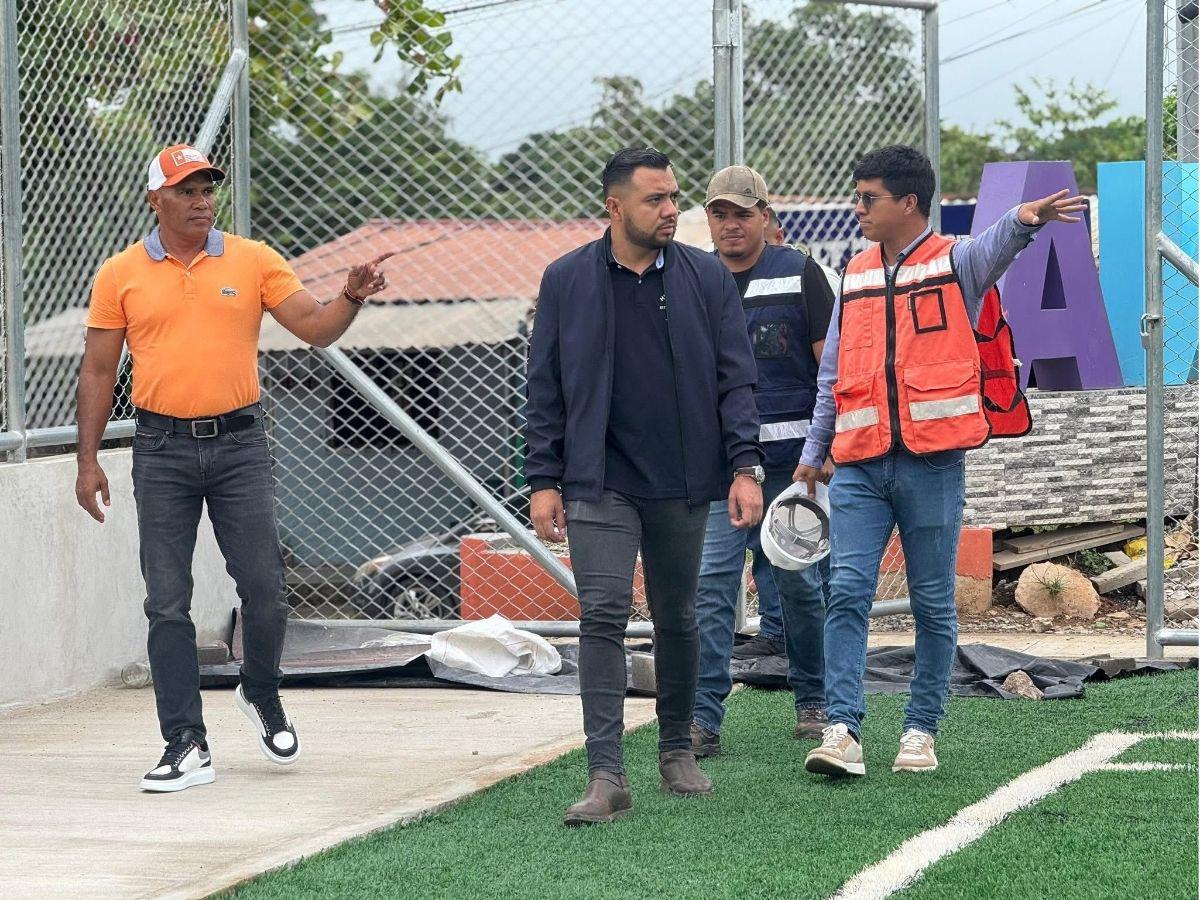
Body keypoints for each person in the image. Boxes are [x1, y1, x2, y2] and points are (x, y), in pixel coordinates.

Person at [75, 144, 393, 792]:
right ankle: (185, 742)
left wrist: (350, 296)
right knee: (167, 601)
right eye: (186, 191)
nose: (202, 202)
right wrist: (87, 460)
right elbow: (100, 370)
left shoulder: (253, 260)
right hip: (160, 449)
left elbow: (315, 327)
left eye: (207, 190)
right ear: (155, 200)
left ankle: (261, 691)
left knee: (266, 586)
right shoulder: (120, 273)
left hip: (240, 446)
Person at [795, 145, 1081, 777]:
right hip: (859, 466)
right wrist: (815, 451)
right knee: (846, 592)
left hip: (932, 466)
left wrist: (1025, 219)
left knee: (931, 603)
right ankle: (842, 731)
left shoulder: (954, 263)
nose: (858, 208)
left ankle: (920, 731)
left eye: (868, 198)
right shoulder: (854, 274)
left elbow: (995, 247)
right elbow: (832, 374)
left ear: (909, 203)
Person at [525, 147, 765, 826]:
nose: (670, 211)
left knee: (677, 616)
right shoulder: (566, 280)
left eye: (673, 198)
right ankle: (606, 775)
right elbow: (544, 387)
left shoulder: (706, 278)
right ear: (615, 207)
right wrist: (543, 478)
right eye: (655, 200)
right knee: (601, 615)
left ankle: (675, 749)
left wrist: (744, 466)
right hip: (597, 480)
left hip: (683, 479)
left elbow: (736, 379)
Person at [690, 166, 836, 758]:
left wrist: (824, 450)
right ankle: (702, 718)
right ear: (708, 219)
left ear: (765, 217)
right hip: (718, 471)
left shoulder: (800, 273)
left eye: (742, 214)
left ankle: (814, 701)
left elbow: (830, 370)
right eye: (720, 213)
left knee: (799, 587)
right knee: (711, 588)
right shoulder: (691, 279)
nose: (731, 224)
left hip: (791, 468)